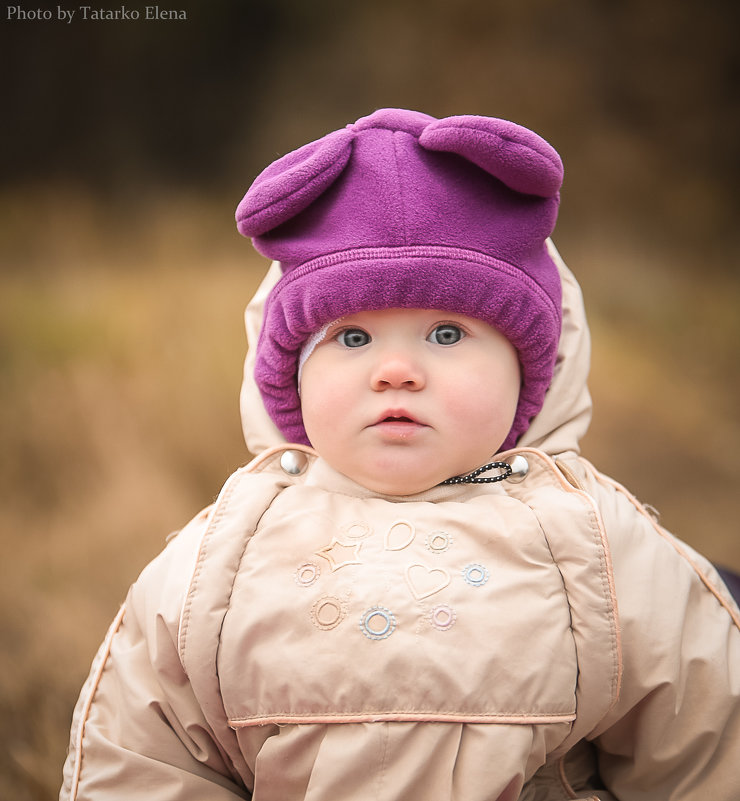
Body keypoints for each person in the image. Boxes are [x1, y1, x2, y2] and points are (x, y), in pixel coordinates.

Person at [60, 108, 740, 800]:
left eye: (447, 333)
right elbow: (144, 763)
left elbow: (704, 753)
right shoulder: (219, 561)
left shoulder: (600, 548)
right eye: (351, 338)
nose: (396, 370)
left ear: (534, 369)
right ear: (288, 375)